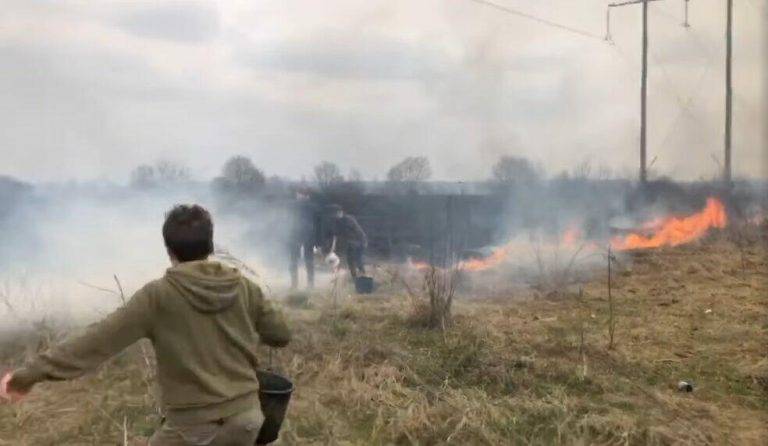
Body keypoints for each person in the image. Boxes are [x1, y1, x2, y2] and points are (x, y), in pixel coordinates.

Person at [0, 204, 291, 446]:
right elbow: (280, 334)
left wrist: (25, 376)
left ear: (169, 250)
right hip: (247, 420)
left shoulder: (158, 296)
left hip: (189, 429)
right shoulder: (245, 287)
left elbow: (93, 343)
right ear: (211, 245)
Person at [288, 188, 320, 289]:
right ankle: (304, 284)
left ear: (305, 196)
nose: (297, 196)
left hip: (303, 238)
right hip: (302, 238)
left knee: (301, 262)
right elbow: (319, 225)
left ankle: (299, 284)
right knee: (303, 262)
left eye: (298, 194)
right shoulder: (313, 207)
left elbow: (318, 225)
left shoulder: (295, 206)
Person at [329, 204, 368, 278]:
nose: (335, 216)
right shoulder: (337, 222)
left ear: (340, 212)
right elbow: (335, 235)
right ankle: (354, 278)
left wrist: (363, 241)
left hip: (359, 241)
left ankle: (363, 276)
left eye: (336, 213)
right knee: (350, 261)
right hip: (350, 243)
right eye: (334, 214)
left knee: (357, 260)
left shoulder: (349, 220)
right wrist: (332, 248)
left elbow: (358, 231)